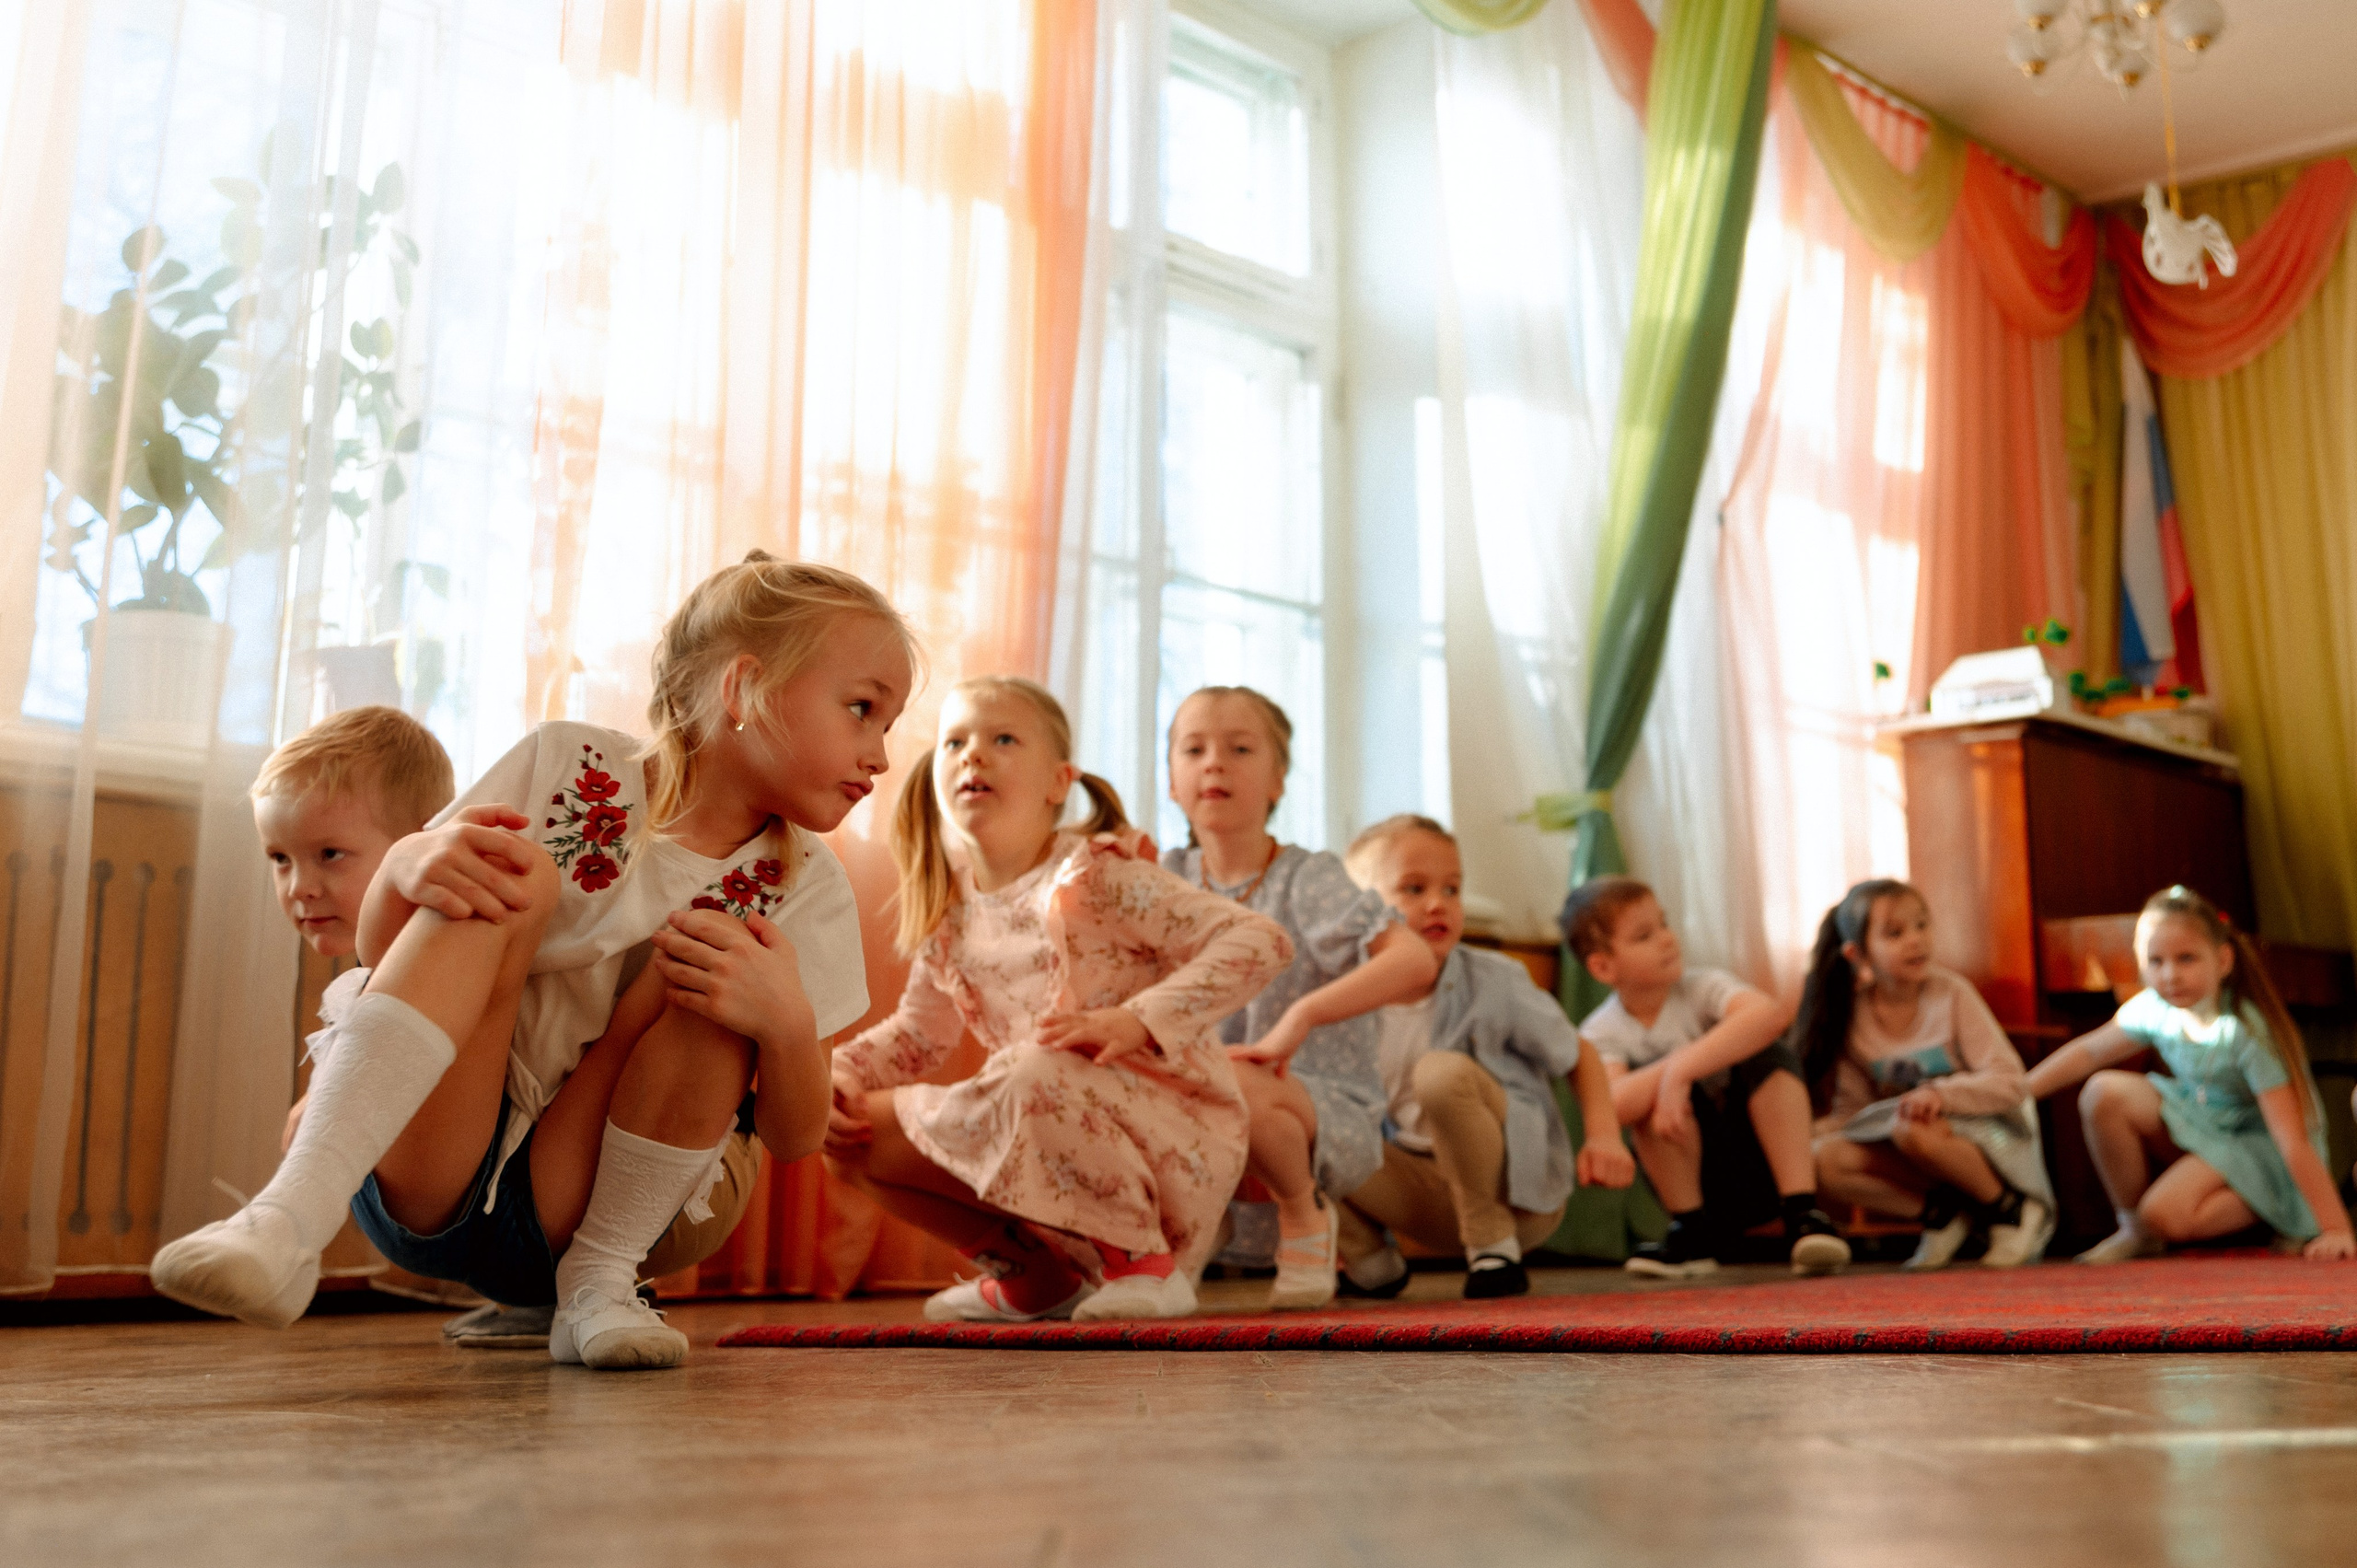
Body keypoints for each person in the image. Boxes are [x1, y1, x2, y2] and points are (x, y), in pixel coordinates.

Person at [153, 555, 903, 1370]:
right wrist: (405, 864)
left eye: (887, 724)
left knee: (722, 961)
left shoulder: (810, 886)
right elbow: (385, 950)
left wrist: (784, 1021)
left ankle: (600, 1285)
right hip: (433, 1162)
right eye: (862, 710)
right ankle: (288, 1217)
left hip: (590, 1203)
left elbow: (796, 1138)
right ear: (743, 689)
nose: (881, 756)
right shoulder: (562, 761)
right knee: (508, 873)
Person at [253, 705, 763, 1348]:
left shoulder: (484, 908)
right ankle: (532, 1292)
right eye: (279, 858)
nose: (301, 886)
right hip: (484, 1161)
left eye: (329, 855)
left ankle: (582, 1279)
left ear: (429, 833)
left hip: (581, 1137)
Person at [825, 677, 1292, 1323]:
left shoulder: (1101, 876)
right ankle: (1036, 1279)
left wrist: (1137, 1019)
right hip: (1046, 1128)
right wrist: (839, 1074)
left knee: (1032, 1067)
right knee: (850, 1134)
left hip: (1169, 1138)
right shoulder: (951, 908)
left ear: (1058, 782)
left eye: (1003, 738)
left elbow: (1259, 939)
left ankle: (1145, 1265)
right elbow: (918, 1035)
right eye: (954, 741)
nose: (972, 754)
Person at [1158, 687, 1438, 1309]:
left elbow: (1413, 958)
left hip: (1313, 1103)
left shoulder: (1307, 877)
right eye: (1193, 749)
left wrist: (1302, 1014)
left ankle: (1307, 1214)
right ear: (1172, 781)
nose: (1213, 763)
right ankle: (1194, 1225)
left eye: (1239, 748)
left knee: (1237, 1075)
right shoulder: (1160, 876)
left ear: (1278, 779)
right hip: (1200, 1108)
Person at [1337, 816, 1633, 1299]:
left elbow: (1578, 1052)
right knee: (1303, 1112)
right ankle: (1372, 1262)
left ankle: (1493, 1247)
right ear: (1359, 909)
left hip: (1514, 1202)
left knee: (1440, 1072)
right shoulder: (1346, 999)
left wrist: (1604, 1137)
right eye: (1413, 888)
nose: (1438, 903)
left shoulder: (1495, 980)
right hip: (1426, 1200)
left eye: (1452, 889)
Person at [2026, 885, 2353, 1264]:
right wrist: (2020, 1091)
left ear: (2224, 960)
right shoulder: (2154, 1008)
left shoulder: (2244, 1033)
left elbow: (2292, 1139)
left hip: (2258, 1144)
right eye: (2156, 961)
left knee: (2162, 1215)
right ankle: (2134, 1231)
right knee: (2103, 1092)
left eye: (2186, 959)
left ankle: (2275, 1211)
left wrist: (2335, 1227)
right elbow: (2088, 1051)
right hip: (2206, 1125)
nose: (2170, 975)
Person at [1567, 876, 1850, 1279]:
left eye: (1663, 924)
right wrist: (1670, 1078)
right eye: (1645, 935)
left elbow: (1768, 1015)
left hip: (1763, 1166)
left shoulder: (1701, 988)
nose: (1667, 938)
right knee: (1645, 1102)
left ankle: (1803, 1214)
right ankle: (1692, 1230)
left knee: (1769, 1054)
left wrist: (1680, 1071)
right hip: (1700, 1180)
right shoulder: (1601, 1031)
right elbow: (1613, 1105)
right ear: (1603, 966)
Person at [1800, 879, 2054, 1271]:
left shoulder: (1952, 994)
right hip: (1913, 1138)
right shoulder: (1854, 1017)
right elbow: (1860, 1112)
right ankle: (1943, 1216)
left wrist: (1941, 1095)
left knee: (1911, 1129)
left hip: (1989, 1133)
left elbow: (2010, 1082)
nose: (1916, 941)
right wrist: (1817, 1131)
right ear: (1857, 953)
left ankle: (2012, 1209)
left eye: (1922, 925)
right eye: (1896, 933)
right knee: (1822, 1157)